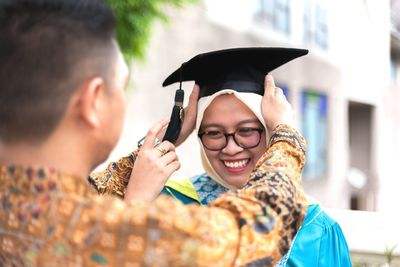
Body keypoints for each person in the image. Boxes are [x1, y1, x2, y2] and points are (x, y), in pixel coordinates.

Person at [0, 1, 307, 266]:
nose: (230, 147)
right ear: (93, 101)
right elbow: (260, 227)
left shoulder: (17, 211)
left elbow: (89, 191)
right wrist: (285, 134)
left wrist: (165, 142)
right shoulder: (105, 234)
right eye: (119, 86)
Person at [93, 47, 351, 266]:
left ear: (272, 128)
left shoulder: (316, 226)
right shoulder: (163, 201)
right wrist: (164, 144)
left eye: (247, 131)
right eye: (213, 133)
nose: (230, 148)